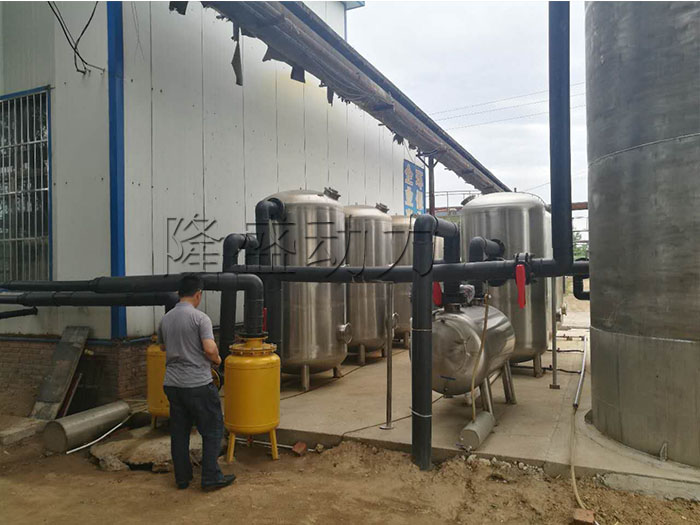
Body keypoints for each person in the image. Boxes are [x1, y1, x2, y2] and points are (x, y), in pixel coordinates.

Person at [158, 274, 235, 491]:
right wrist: (217, 359)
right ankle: (211, 477)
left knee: (179, 432)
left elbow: (162, 347)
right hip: (197, 384)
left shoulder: (166, 319)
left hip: (173, 384)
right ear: (198, 294)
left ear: (179, 293)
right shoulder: (200, 318)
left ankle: (182, 478)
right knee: (213, 429)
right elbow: (209, 348)